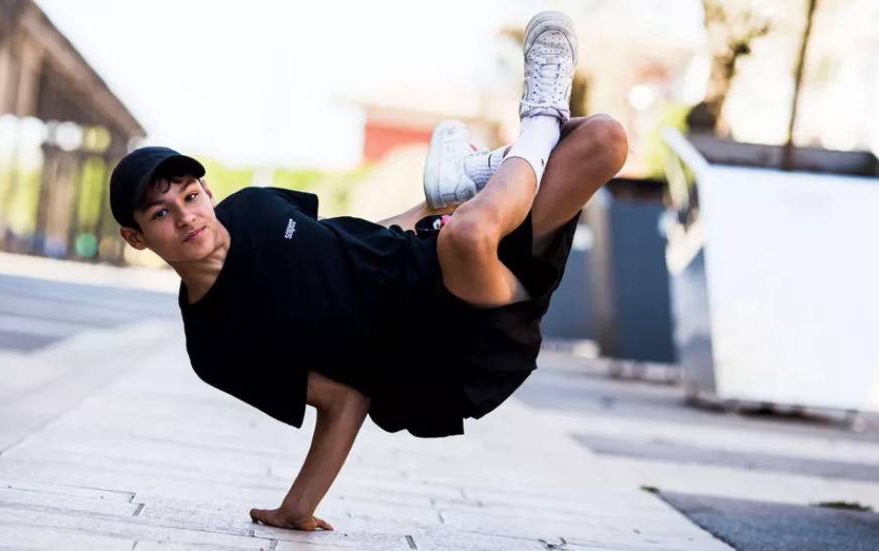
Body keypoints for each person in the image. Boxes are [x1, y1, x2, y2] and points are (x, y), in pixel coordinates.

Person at [108, 11, 626, 532]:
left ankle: (481, 177)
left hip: (442, 246)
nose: (187, 216)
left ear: (208, 192)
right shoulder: (215, 345)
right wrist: (297, 508)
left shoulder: (252, 208)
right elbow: (344, 400)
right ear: (137, 238)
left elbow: (350, 241)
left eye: (191, 195)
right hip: (451, 347)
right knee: (468, 237)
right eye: (160, 213)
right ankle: (532, 121)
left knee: (605, 139)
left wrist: (424, 206)